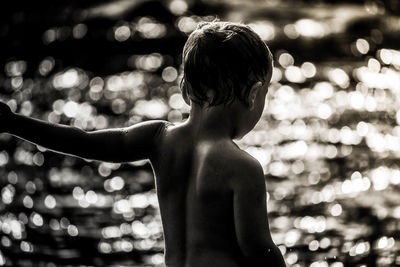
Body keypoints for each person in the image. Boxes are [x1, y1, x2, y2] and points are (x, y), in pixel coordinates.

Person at [0, 21, 286, 267]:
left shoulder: (159, 139)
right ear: (253, 94)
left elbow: (83, 142)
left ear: (185, 90)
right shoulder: (243, 168)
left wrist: (13, 122)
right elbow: (260, 251)